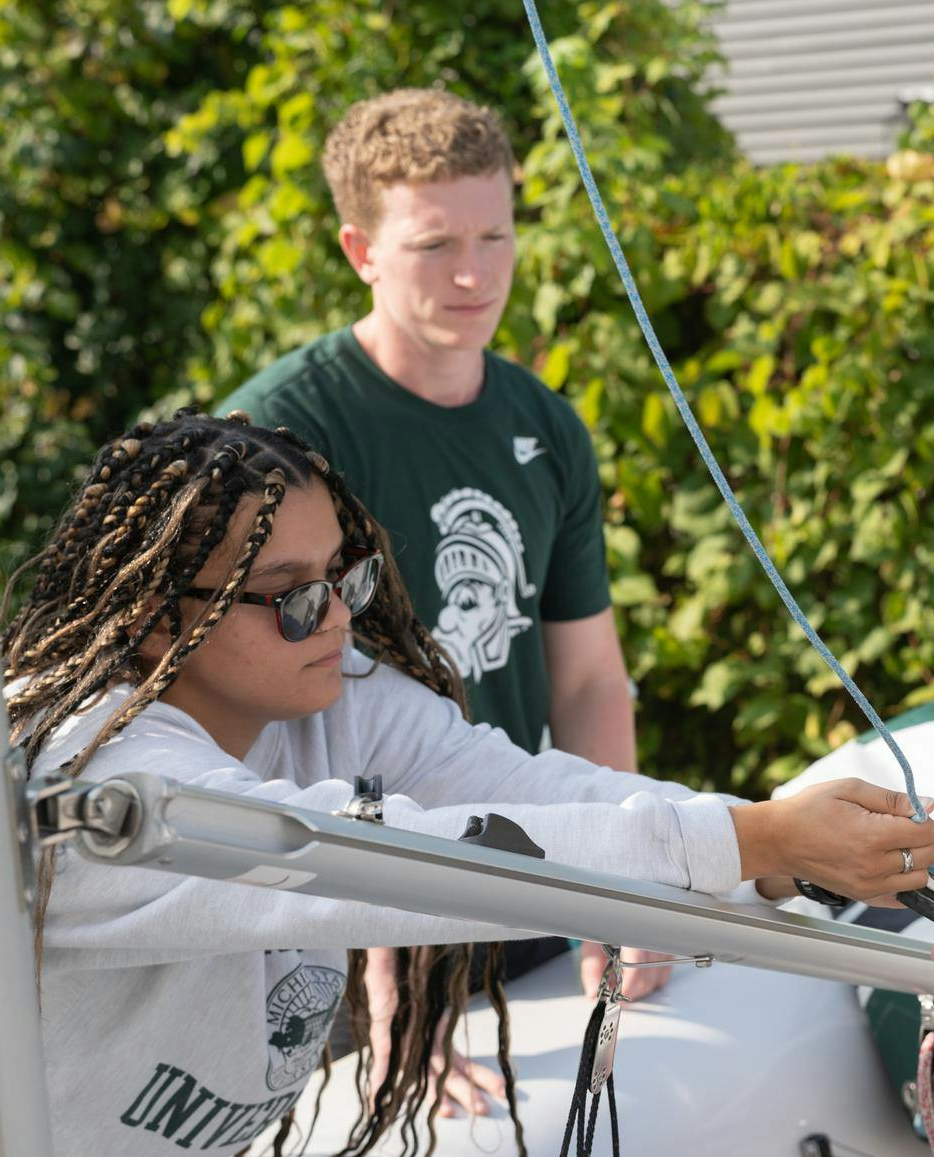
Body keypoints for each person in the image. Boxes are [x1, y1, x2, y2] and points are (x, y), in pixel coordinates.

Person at [0, 411, 934, 1157]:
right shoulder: (84, 780)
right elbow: (380, 862)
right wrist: (744, 834)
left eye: (348, 578)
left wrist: (757, 845)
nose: (332, 619)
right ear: (149, 617)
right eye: (286, 599)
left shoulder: (330, 696)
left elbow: (524, 792)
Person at [220, 89, 653, 1054]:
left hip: (515, 875)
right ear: (359, 251)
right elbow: (249, 718)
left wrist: (623, 887)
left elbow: (585, 679)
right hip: (338, 922)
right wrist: (380, 938)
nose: (472, 273)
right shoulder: (281, 436)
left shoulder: (546, 426)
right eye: (432, 245)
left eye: (495, 236)